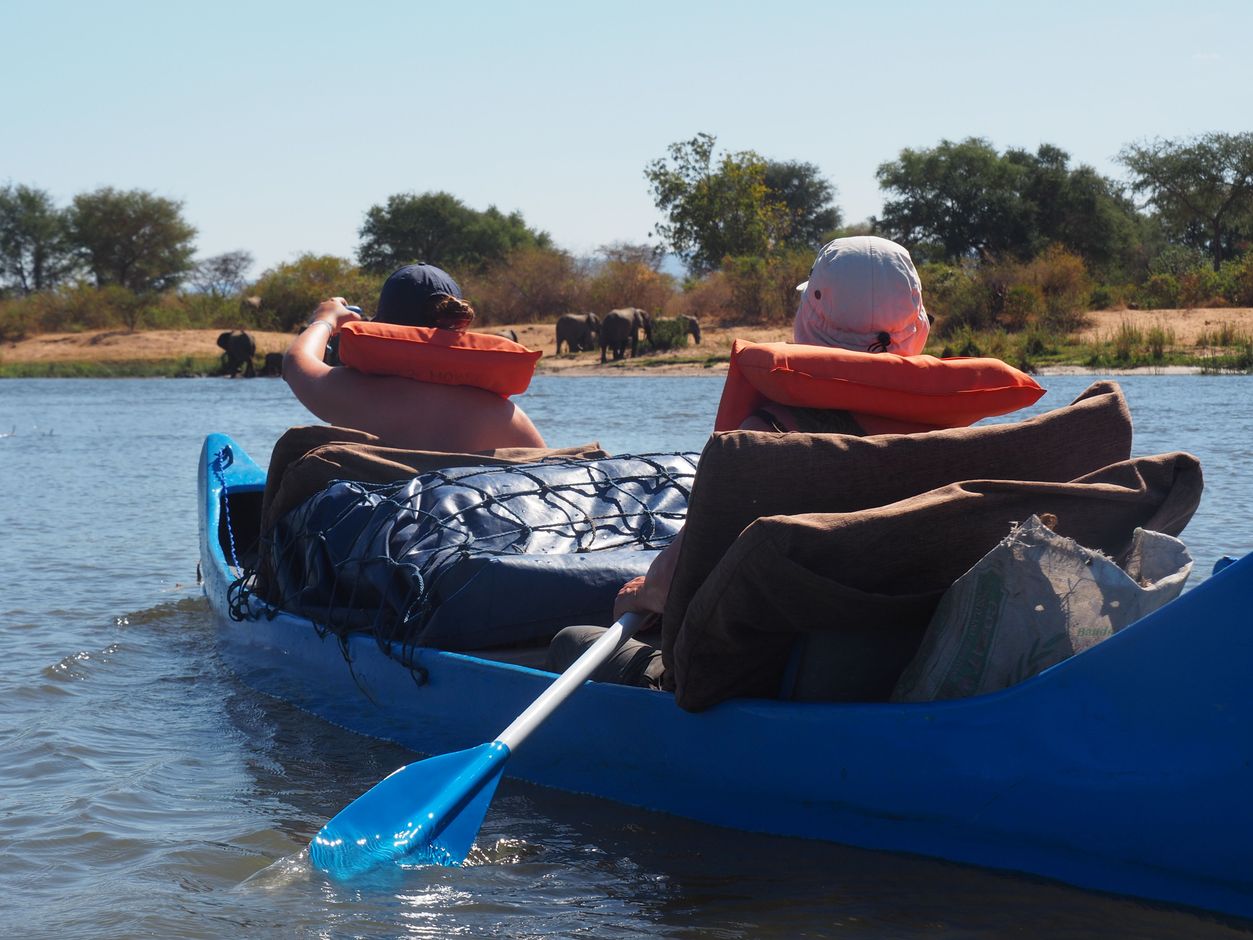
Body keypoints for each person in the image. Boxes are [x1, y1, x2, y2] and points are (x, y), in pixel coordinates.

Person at [545, 236, 930, 686]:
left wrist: (638, 594)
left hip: (758, 686)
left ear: (809, 316)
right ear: (918, 324)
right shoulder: (955, 438)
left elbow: (677, 586)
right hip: (895, 674)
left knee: (571, 640)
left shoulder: (763, 442)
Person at [283, 263, 546, 452]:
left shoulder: (349, 392)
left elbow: (295, 362)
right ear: (460, 331)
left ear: (382, 326)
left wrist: (326, 319)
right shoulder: (504, 417)